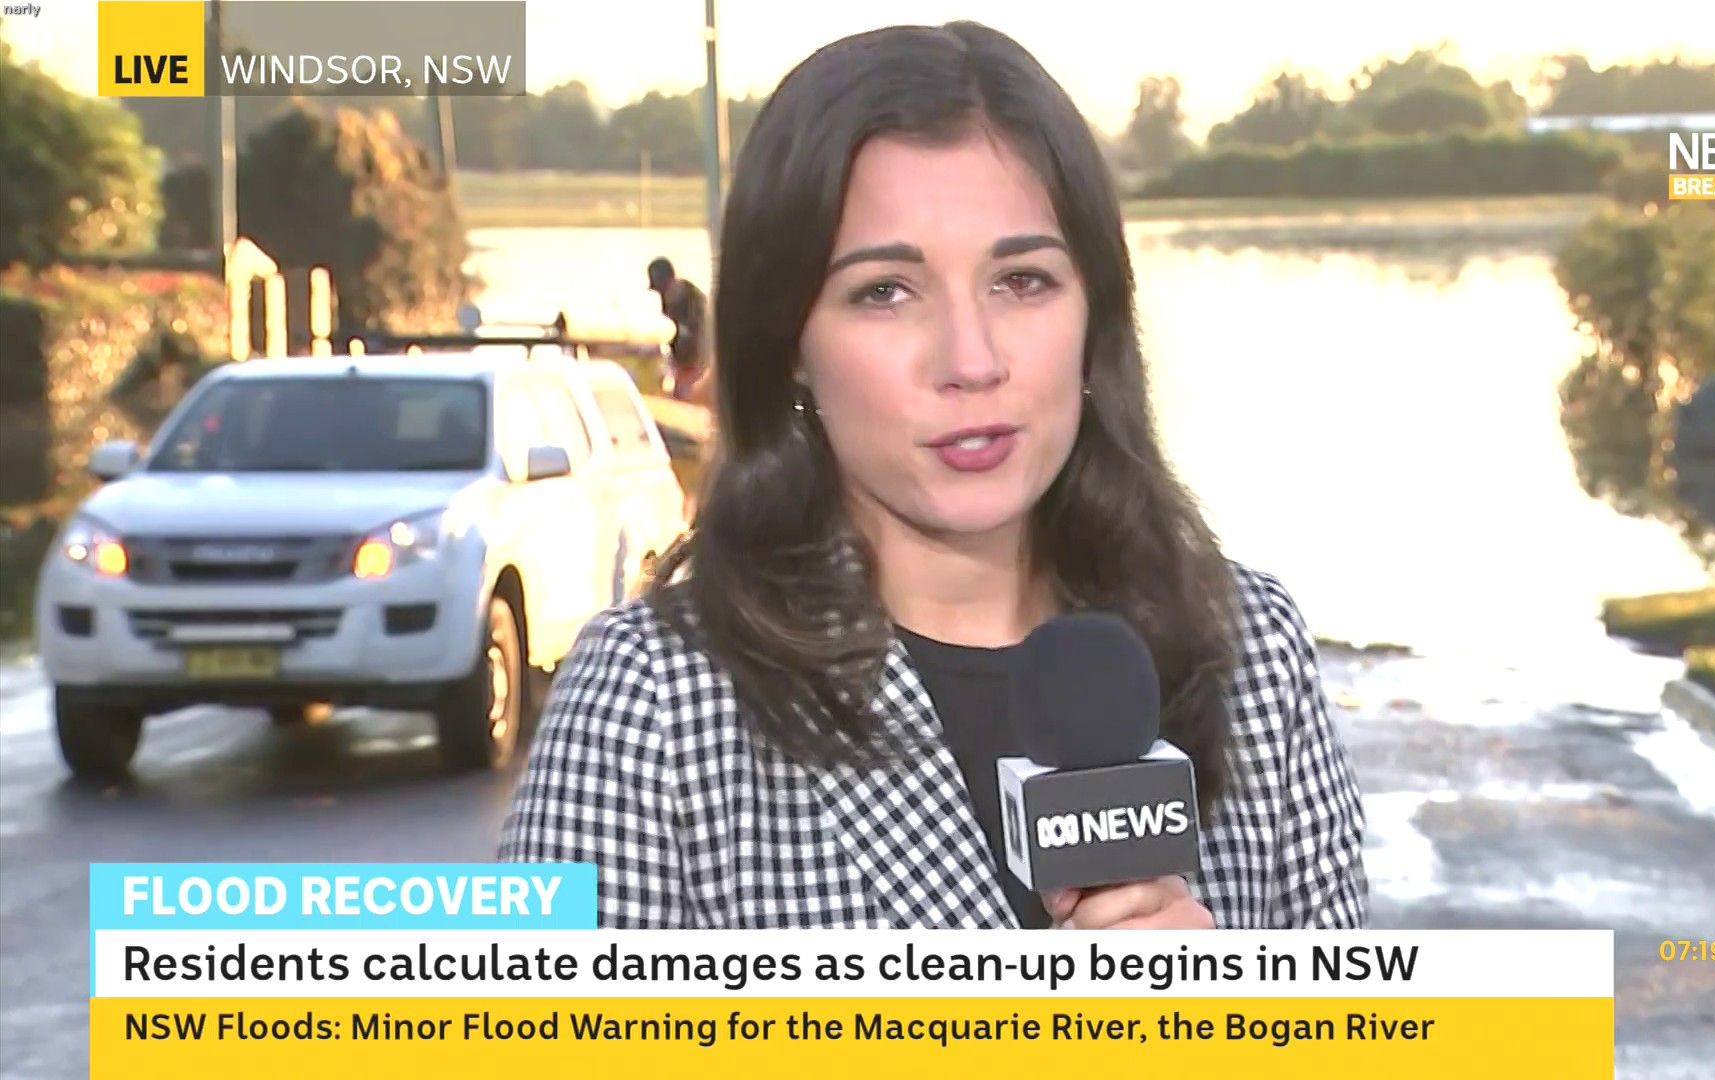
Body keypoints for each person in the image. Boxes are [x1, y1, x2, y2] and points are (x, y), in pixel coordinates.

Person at [499, 21, 1367, 930]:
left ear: (1095, 313)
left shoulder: (1251, 655)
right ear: (789, 343)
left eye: (1022, 281)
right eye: (885, 292)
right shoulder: (651, 706)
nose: (971, 360)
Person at [647, 257, 709, 401]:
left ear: (671, 281)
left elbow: (702, 340)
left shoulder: (695, 301)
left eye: (664, 289)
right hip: (678, 367)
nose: (663, 294)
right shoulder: (666, 300)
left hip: (695, 367)